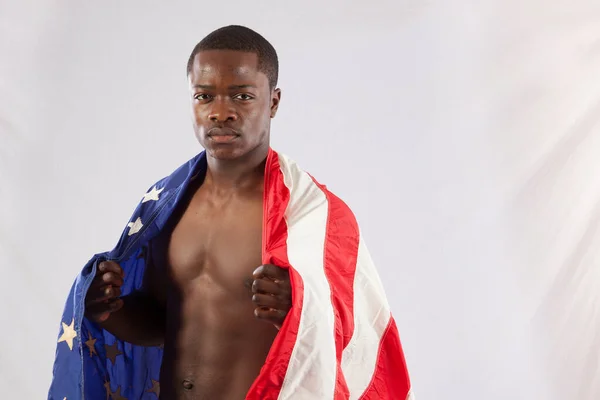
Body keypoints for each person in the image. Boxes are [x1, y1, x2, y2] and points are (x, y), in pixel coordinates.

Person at [49, 25, 413, 400]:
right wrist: (109, 310)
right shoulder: (165, 206)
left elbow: (360, 339)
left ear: (273, 102)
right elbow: (164, 321)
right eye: (205, 96)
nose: (221, 112)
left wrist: (304, 309)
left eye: (241, 96)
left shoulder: (313, 217)